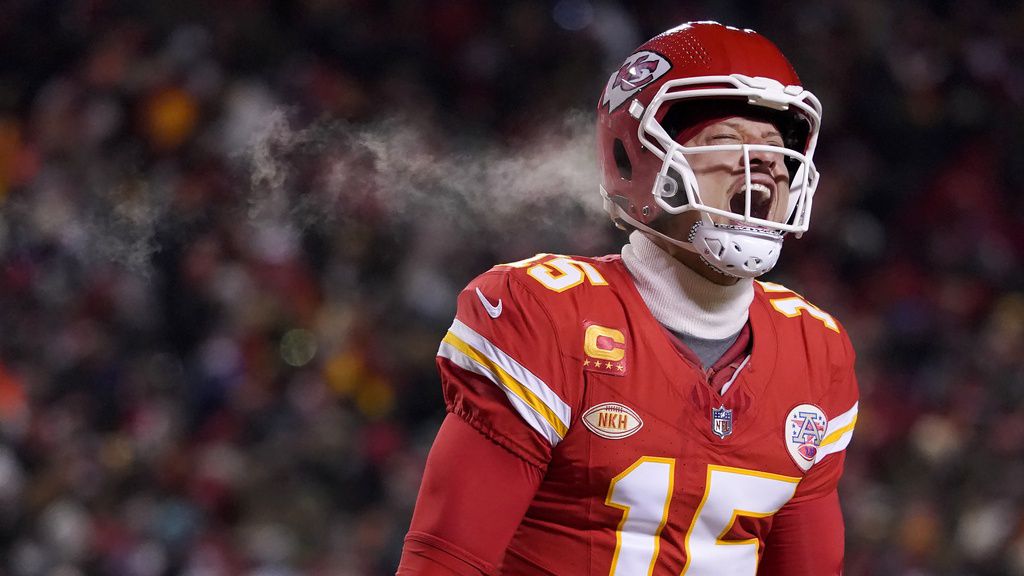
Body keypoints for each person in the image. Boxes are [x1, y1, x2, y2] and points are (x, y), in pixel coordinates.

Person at [397, 21, 858, 575]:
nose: (762, 164)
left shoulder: (815, 349)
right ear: (637, 161)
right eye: (725, 141)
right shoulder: (547, 313)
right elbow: (447, 561)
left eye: (775, 148)